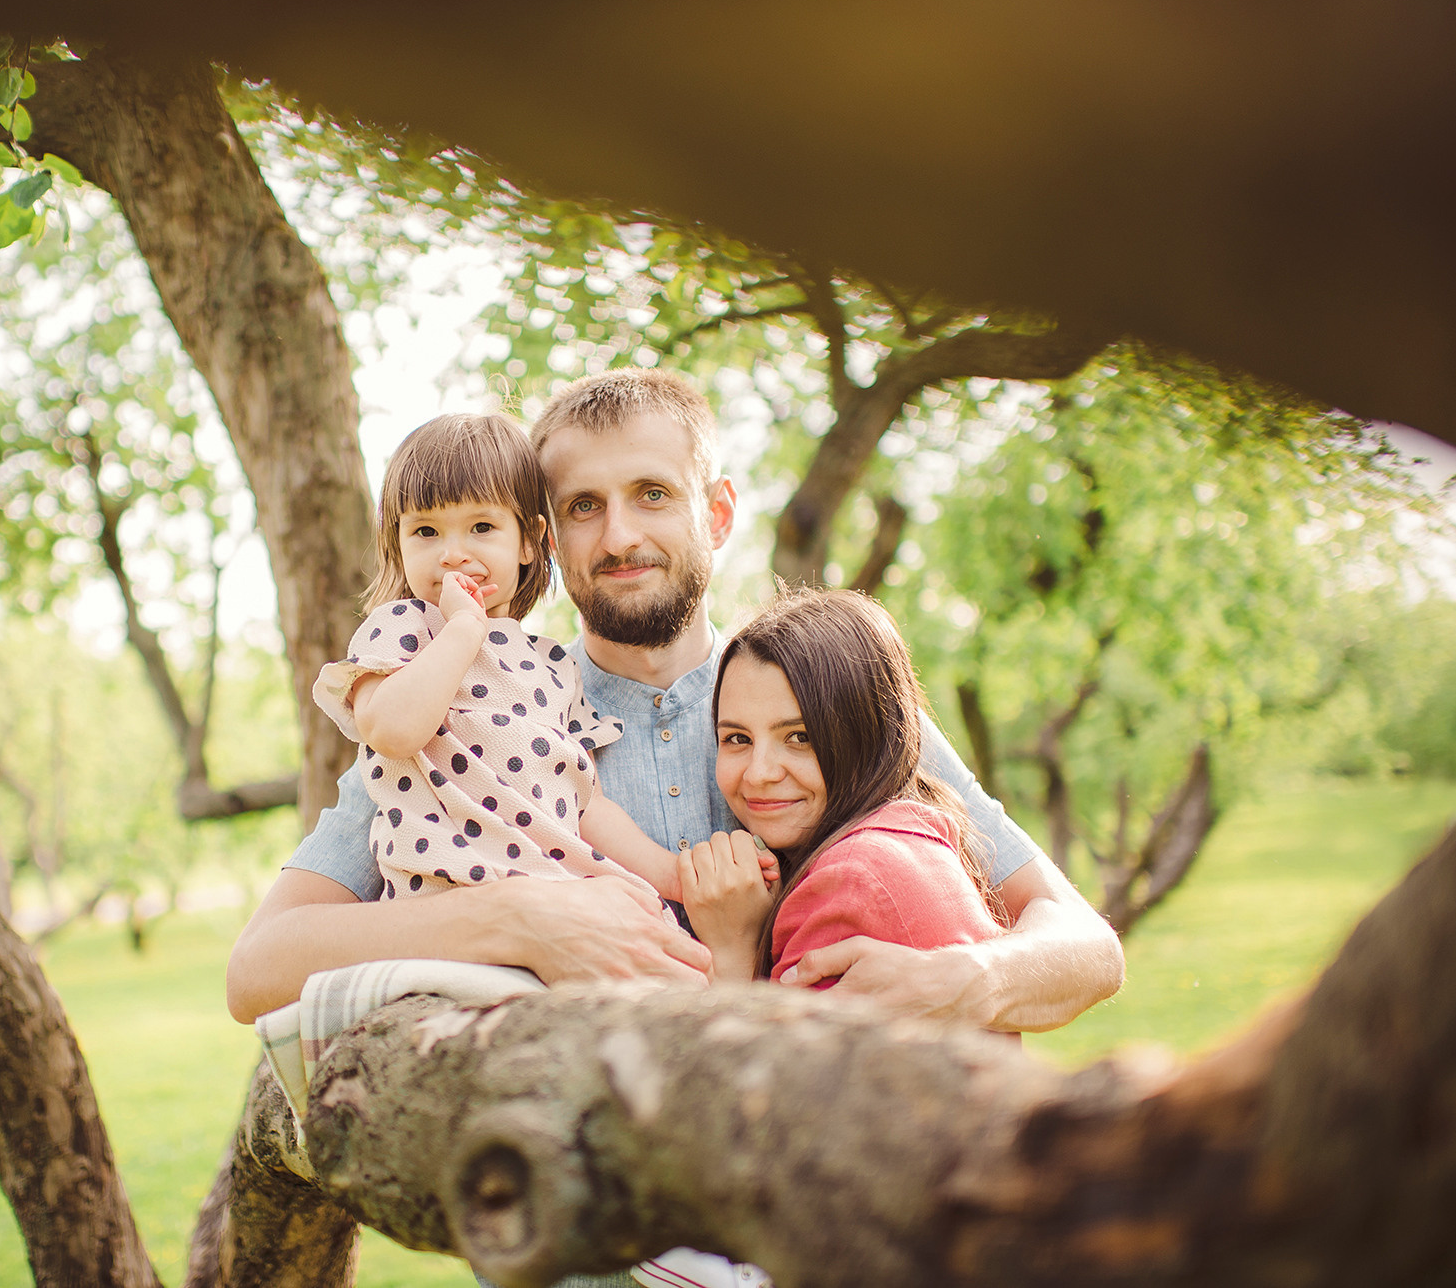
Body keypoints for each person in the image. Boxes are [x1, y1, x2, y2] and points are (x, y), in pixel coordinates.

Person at [228, 368, 1123, 1040]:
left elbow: (1086, 944)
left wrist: (971, 980)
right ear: (545, 536)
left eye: (652, 494)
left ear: (719, 512)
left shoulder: (832, 692)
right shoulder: (457, 718)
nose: (619, 536)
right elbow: (258, 970)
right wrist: (518, 918)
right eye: (584, 506)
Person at [314, 411, 739, 903]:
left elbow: (585, 801)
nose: (452, 553)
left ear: (532, 543)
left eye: (480, 526)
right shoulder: (404, 633)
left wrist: (670, 879)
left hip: (557, 901)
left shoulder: (552, 667)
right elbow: (391, 731)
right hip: (443, 908)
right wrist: (463, 630)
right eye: (425, 532)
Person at [676, 589, 1008, 991]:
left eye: (799, 736)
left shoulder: (849, 883)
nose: (759, 773)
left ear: (866, 736)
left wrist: (733, 951)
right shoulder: (908, 840)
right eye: (737, 739)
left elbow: (769, 1056)